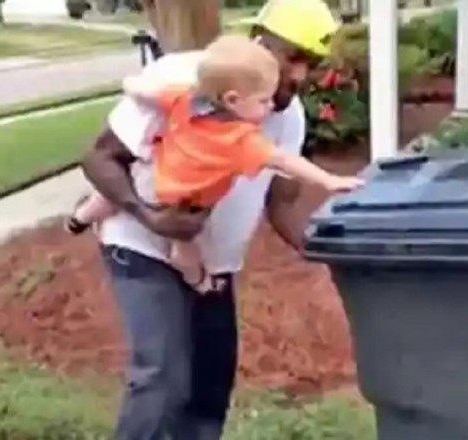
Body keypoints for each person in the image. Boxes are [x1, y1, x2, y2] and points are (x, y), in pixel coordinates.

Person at [80, 0, 341, 438]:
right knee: (162, 378)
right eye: (293, 57)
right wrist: (151, 217)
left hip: (214, 268)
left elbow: (280, 202)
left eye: (312, 64)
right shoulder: (184, 77)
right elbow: (99, 157)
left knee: (209, 389)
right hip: (142, 245)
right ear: (260, 43)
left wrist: (329, 251)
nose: (300, 76)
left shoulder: (287, 115)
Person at [68, 35, 363, 292]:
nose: (272, 105)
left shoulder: (186, 99)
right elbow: (285, 161)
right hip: (180, 207)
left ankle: (80, 217)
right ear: (233, 99)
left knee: (105, 199)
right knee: (185, 253)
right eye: (264, 101)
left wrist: (130, 83)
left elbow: (147, 93)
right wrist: (329, 180)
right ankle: (201, 282)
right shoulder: (241, 138)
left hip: (154, 183)